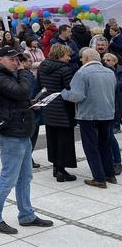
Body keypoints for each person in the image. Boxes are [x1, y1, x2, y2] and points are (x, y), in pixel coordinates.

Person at [0, 46, 53, 234]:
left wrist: (31, 104)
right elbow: (22, 92)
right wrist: (24, 72)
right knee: (8, 177)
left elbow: (16, 98)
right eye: (12, 59)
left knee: (25, 177)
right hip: (11, 133)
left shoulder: (9, 73)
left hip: (21, 129)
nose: (16, 62)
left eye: (17, 59)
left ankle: (27, 215)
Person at [61, 48, 117, 188]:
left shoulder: (82, 73)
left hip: (88, 115)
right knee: (105, 144)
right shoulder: (110, 72)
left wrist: (63, 93)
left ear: (85, 59)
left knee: (91, 147)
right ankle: (110, 174)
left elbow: (76, 96)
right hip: (108, 113)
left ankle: (99, 178)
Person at [36, 44, 77, 182]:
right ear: (60, 55)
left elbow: (39, 83)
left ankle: (55, 167)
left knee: (52, 138)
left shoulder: (43, 66)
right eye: (67, 55)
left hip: (49, 104)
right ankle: (61, 171)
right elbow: (69, 88)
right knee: (64, 140)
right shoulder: (64, 69)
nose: (69, 58)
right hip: (63, 108)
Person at [102, 53, 122, 175]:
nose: (106, 61)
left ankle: (117, 161)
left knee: (109, 135)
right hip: (106, 107)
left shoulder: (118, 72)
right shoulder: (103, 72)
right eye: (104, 59)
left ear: (115, 61)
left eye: (108, 60)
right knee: (106, 135)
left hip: (115, 107)